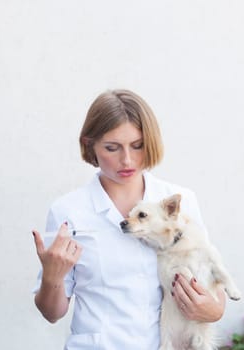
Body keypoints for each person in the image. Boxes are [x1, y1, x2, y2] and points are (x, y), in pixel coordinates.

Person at [32, 89, 225, 350]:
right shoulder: (69, 211)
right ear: (90, 145)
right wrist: (52, 278)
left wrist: (211, 310)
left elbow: (215, 296)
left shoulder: (180, 202)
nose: (127, 160)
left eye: (138, 145)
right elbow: (52, 313)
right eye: (112, 148)